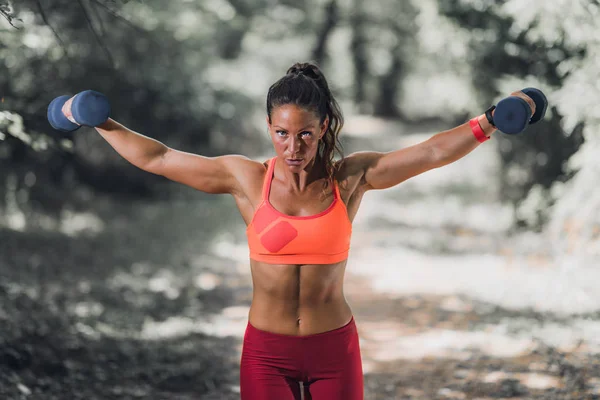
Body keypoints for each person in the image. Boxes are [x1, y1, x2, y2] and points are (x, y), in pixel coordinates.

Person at [58, 61, 536, 400]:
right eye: (282, 133)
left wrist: (489, 121)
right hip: (267, 352)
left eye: (305, 133)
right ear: (269, 127)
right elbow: (159, 158)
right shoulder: (246, 179)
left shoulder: (350, 178)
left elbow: (430, 152)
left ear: (324, 127)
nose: (293, 146)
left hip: (334, 349)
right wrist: (95, 119)